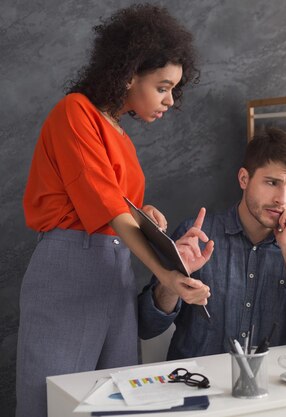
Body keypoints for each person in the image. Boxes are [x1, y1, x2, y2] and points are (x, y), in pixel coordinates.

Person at [17, 5, 211, 417]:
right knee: (53, 403)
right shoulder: (75, 112)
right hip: (68, 273)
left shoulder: (117, 130)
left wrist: (145, 213)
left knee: (116, 405)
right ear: (129, 73)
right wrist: (168, 276)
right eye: (162, 87)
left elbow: (113, 205)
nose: (170, 100)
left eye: (174, 89)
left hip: (115, 276)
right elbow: (109, 212)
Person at [138, 128, 286, 359]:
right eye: (272, 182)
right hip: (195, 383)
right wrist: (171, 283)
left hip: (266, 386)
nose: (282, 199)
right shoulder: (196, 236)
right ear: (244, 178)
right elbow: (147, 326)